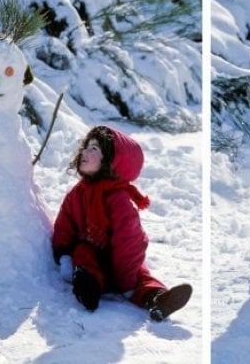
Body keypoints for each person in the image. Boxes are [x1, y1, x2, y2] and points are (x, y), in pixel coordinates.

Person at [52, 125, 192, 321]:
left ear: (112, 162)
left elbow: (130, 241)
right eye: (87, 146)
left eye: (95, 149)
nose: (85, 152)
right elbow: (64, 227)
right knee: (83, 253)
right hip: (92, 255)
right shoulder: (76, 194)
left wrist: (127, 282)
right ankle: (88, 289)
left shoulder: (118, 199)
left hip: (123, 262)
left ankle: (158, 299)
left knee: (141, 277)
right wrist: (64, 255)